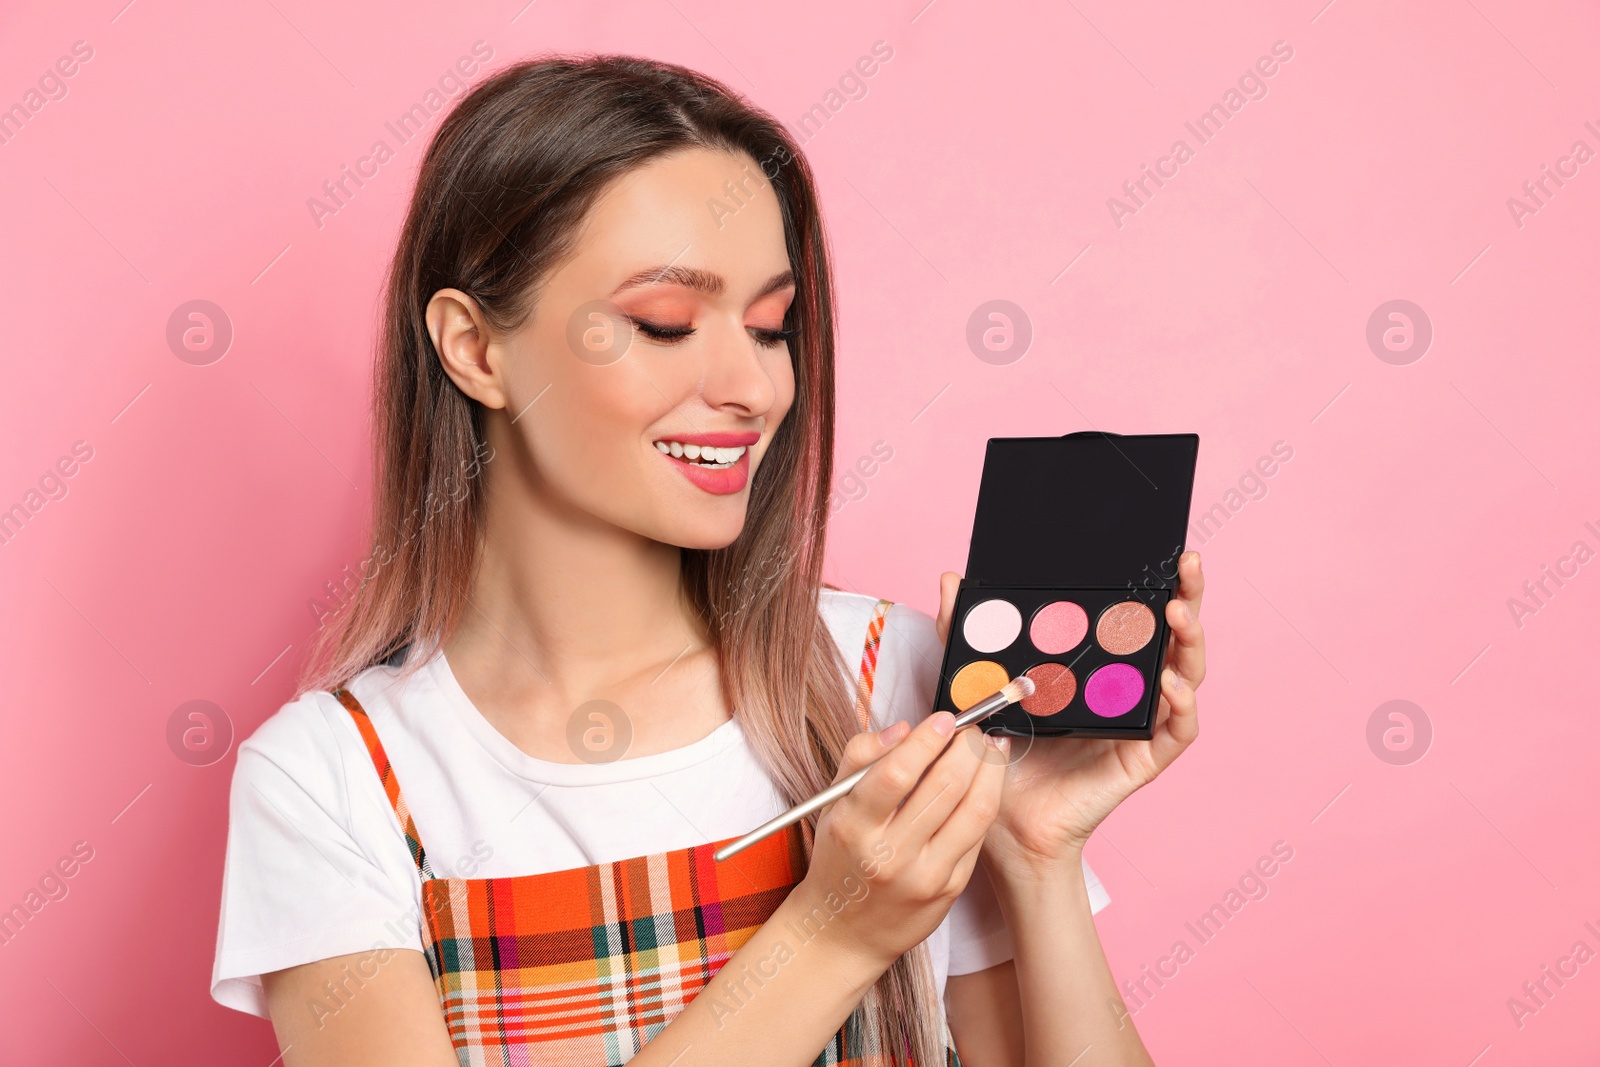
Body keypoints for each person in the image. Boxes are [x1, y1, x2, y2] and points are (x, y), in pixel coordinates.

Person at [209, 54, 1207, 1067]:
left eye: (772, 327)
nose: (752, 386)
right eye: (665, 323)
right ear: (474, 347)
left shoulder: (895, 685)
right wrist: (832, 932)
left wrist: (1037, 856)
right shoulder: (334, 784)